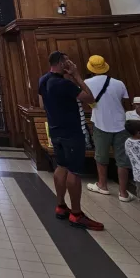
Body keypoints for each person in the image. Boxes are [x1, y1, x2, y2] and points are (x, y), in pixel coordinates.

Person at [38, 52, 103, 231]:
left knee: (61, 166)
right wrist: (77, 76)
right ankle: (76, 213)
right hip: (71, 132)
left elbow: (42, 105)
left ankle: (61, 205)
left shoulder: (43, 80)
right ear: (61, 63)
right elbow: (90, 99)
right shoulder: (65, 84)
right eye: (67, 61)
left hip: (55, 130)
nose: (70, 63)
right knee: (74, 171)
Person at [83, 55, 132, 202]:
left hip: (100, 123)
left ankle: (102, 185)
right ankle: (123, 192)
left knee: (101, 156)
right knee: (122, 159)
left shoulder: (86, 83)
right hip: (120, 123)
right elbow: (124, 100)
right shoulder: (119, 83)